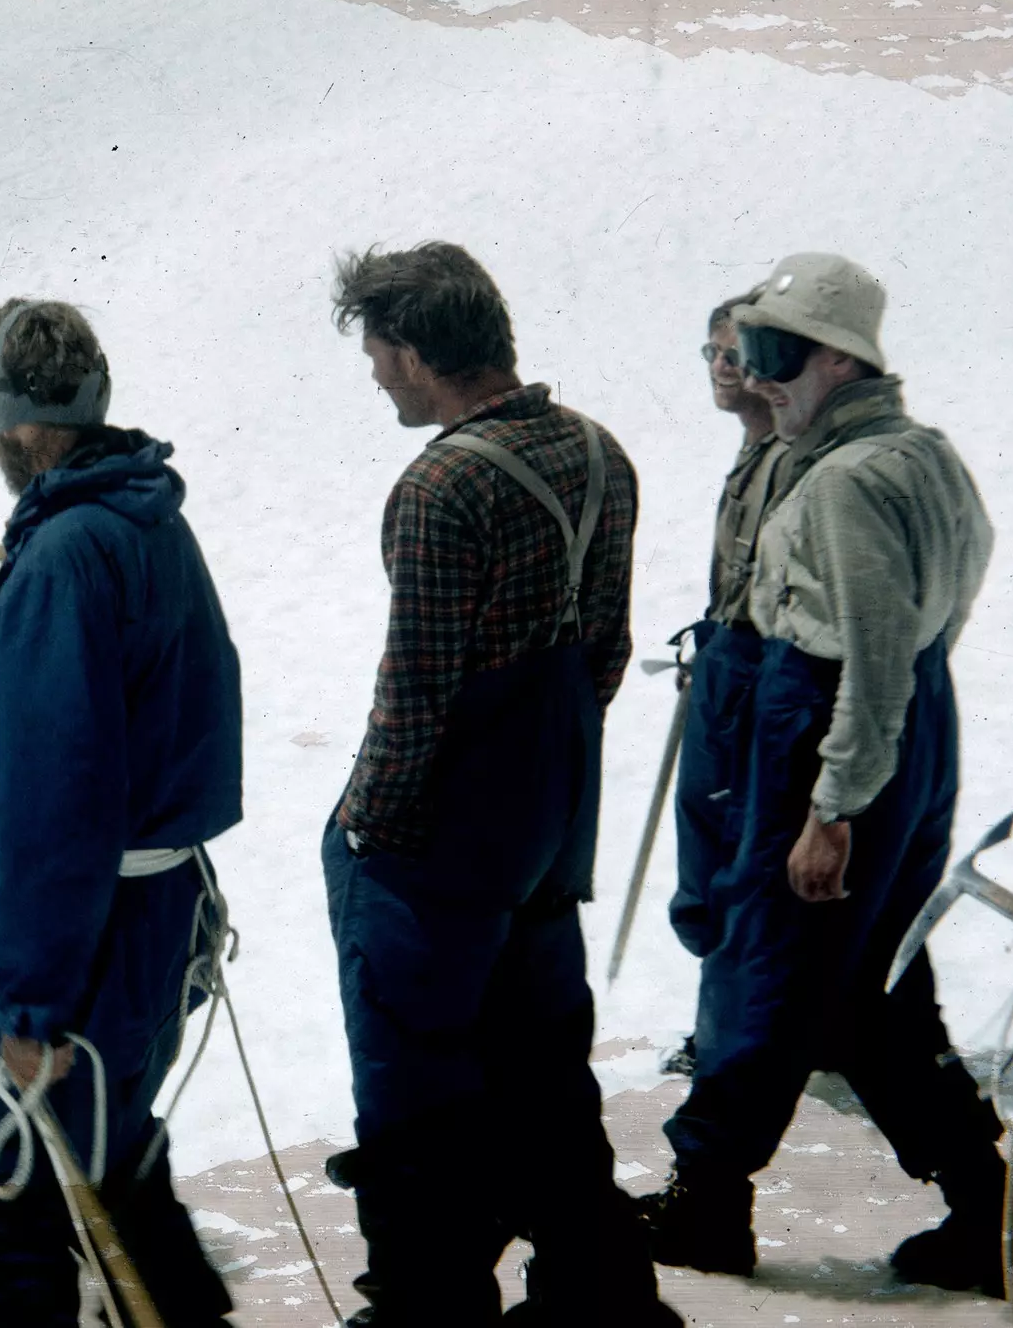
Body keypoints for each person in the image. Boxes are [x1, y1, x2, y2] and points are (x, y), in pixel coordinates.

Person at [318, 242, 679, 1325]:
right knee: (542, 1060)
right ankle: (597, 1291)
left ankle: (428, 1304)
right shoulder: (600, 451)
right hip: (549, 818)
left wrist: (364, 827)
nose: (377, 372)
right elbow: (606, 649)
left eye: (380, 351)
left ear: (421, 351)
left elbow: (417, 690)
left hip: (440, 838)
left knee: (414, 1076)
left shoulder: (441, 483)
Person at [642, 253, 1005, 1296]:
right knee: (873, 978)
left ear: (838, 360)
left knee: (774, 957)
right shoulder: (920, 451)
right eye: (744, 349)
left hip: (831, 720)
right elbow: (939, 610)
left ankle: (709, 1195)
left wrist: (833, 803)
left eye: (772, 354)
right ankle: (983, 1199)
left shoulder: (841, 478)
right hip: (896, 721)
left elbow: (873, 649)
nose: (754, 376)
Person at [0, 298, 244, 1326]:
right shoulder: (145, 515)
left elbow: (60, 798)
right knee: (107, 1150)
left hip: (66, 940)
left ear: (10, 418)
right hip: (145, 925)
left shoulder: (63, 551)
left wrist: (29, 1005)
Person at [661, 290, 790, 1076]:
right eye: (710, 350)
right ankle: (725, 1031)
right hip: (727, 668)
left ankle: (732, 1043)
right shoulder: (752, 451)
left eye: (734, 353)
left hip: (763, 679)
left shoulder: (792, 457)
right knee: (712, 865)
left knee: (743, 868)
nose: (719, 366)